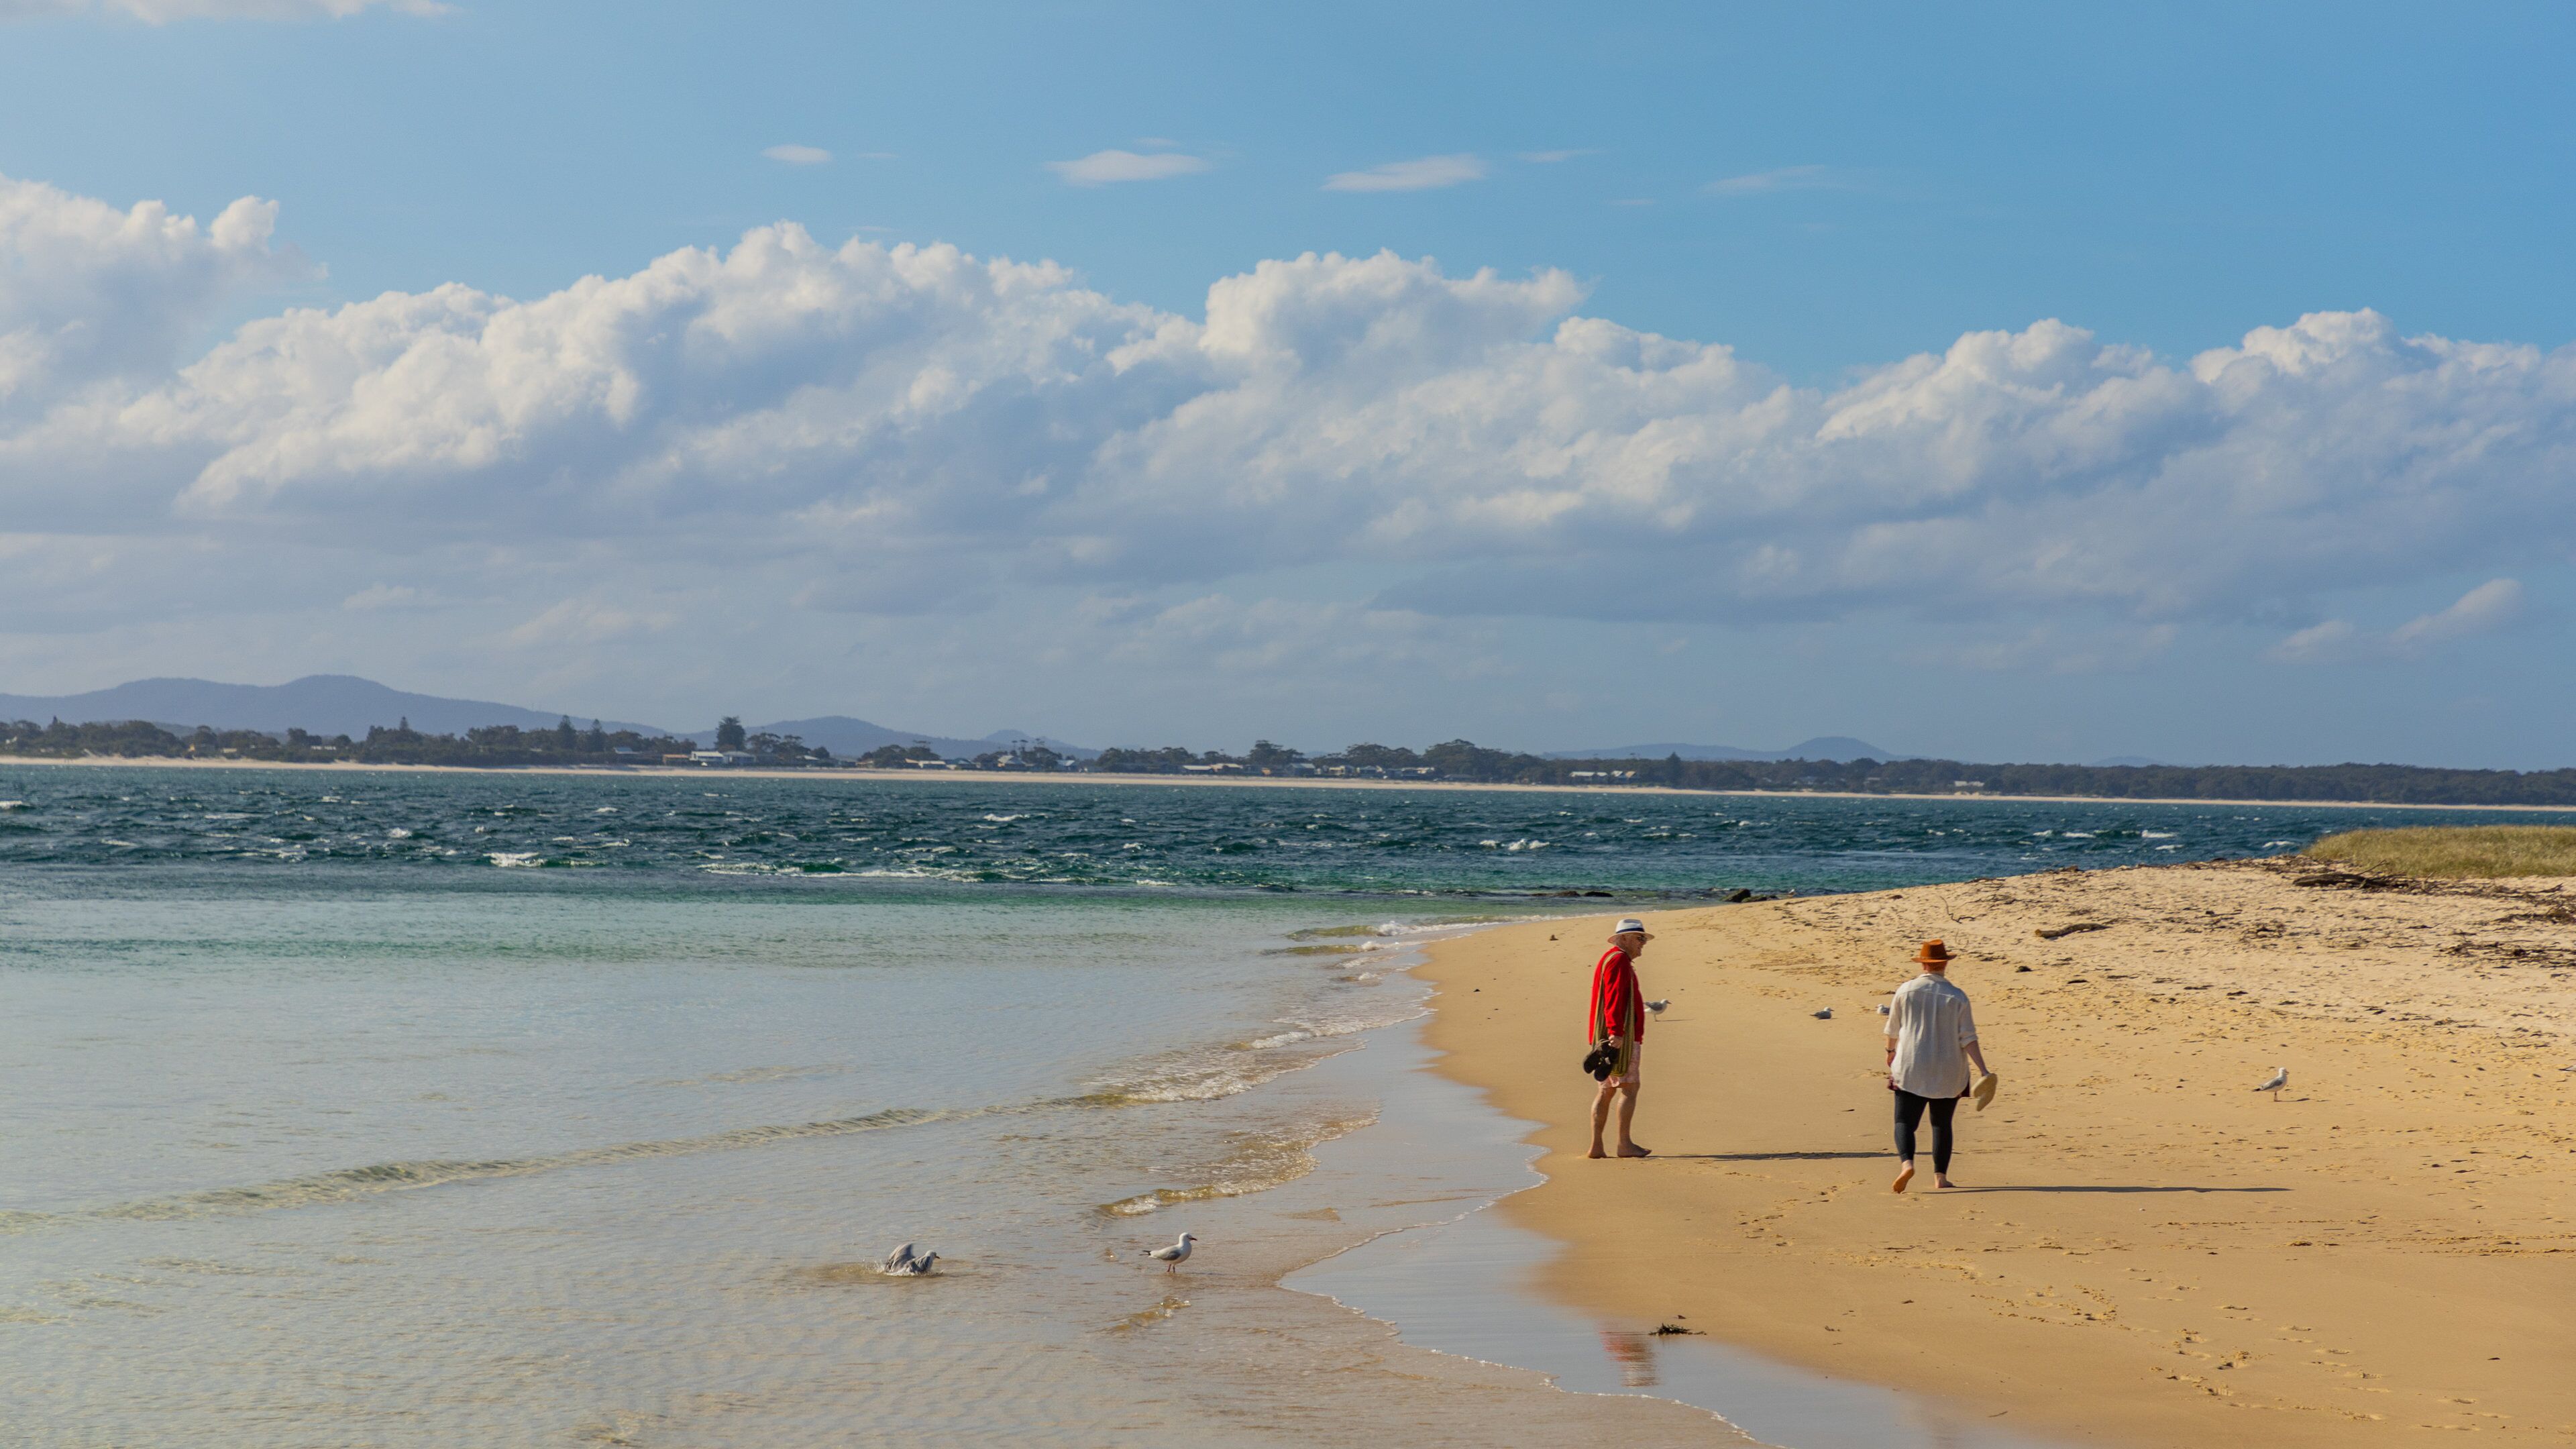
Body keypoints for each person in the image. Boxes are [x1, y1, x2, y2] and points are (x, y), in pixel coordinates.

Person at [1883, 938, 1991, 1191]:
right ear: (1945, 964)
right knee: (1941, 1123)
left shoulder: (1906, 990)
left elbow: (1893, 1028)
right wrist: (1983, 1070)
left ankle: (1907, 1164)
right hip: (1949, 1067)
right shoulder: (1957, 996)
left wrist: (1890, 1051)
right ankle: (1940, 1178)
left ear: (1923, 964)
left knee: (1904, 1122)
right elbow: (1968, 1038)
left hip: (1911, 1063)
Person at [1586, 918, 1653, 1159]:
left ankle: (1596, 1147)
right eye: (1639, 938)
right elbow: (1614, 997)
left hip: (1605, 1034)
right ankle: (1624, 1145)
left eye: (1644, 939)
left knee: (1606, 1091)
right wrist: (1617, 1032)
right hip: (1619, 1037)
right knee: (1629, 1088)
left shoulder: (1609, 958)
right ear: (1623, 939)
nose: (1643, 943)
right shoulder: (1619, 960)